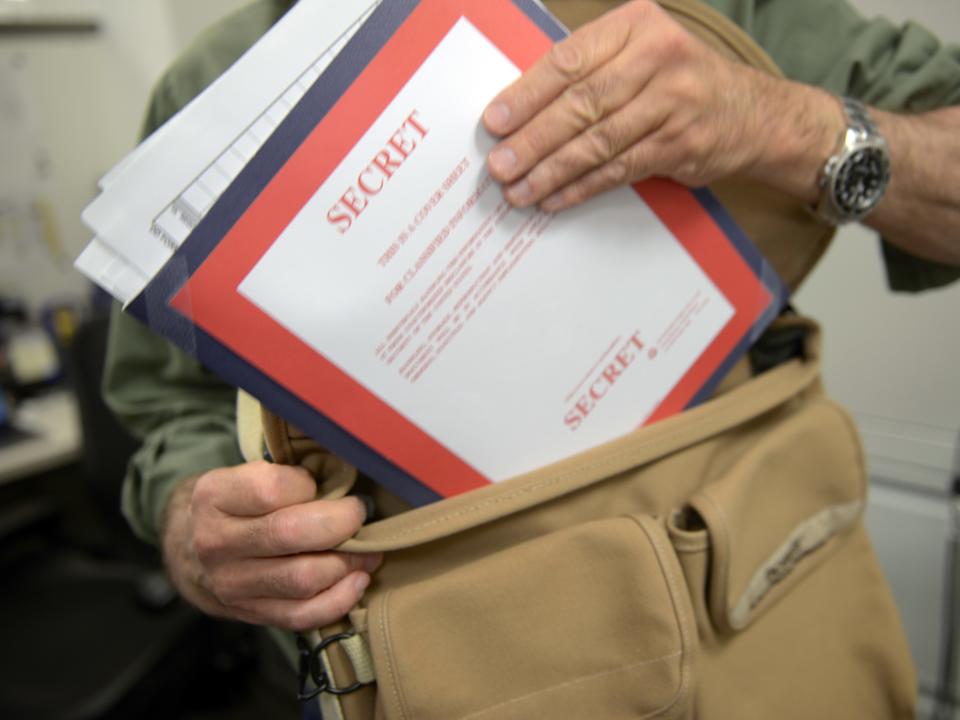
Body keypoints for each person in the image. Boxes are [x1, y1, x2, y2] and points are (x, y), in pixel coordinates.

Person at [105, 0, 959, 671]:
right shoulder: (216, 88)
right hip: (454, 669)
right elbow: (170, 410)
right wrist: (198, 533)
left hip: (760, 609)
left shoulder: (721, 8)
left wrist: (784, 125)